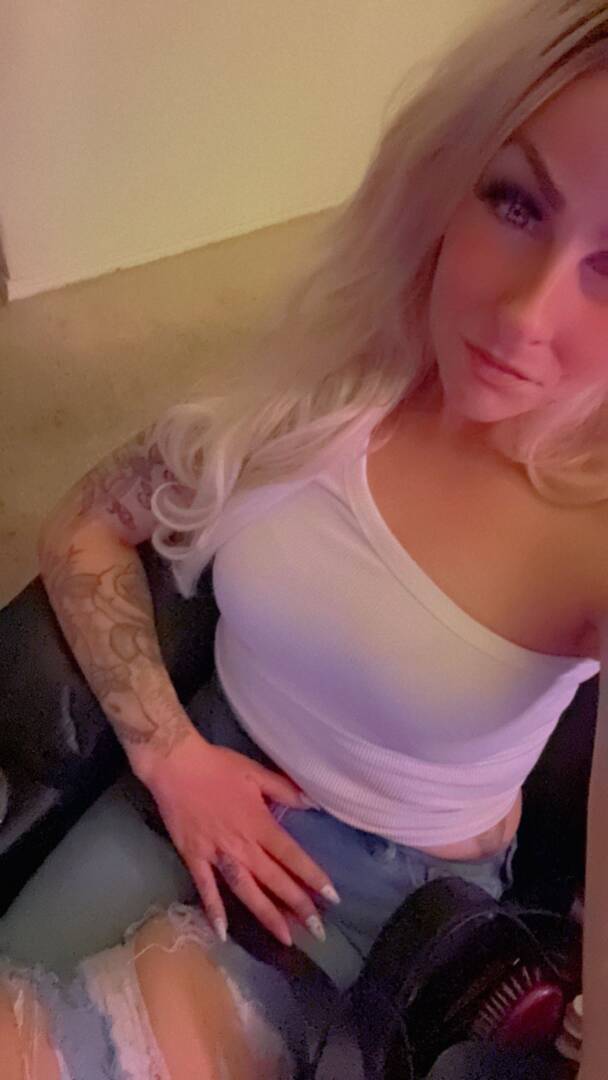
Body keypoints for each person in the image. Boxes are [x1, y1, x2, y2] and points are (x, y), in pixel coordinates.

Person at [1, 0, 607, 1075]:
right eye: (515, 203)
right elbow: (87, 523)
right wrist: (171, 755)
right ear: (448, 178)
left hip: (371, 901)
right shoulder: (325, 380)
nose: (524, 315)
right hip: (189, 772)